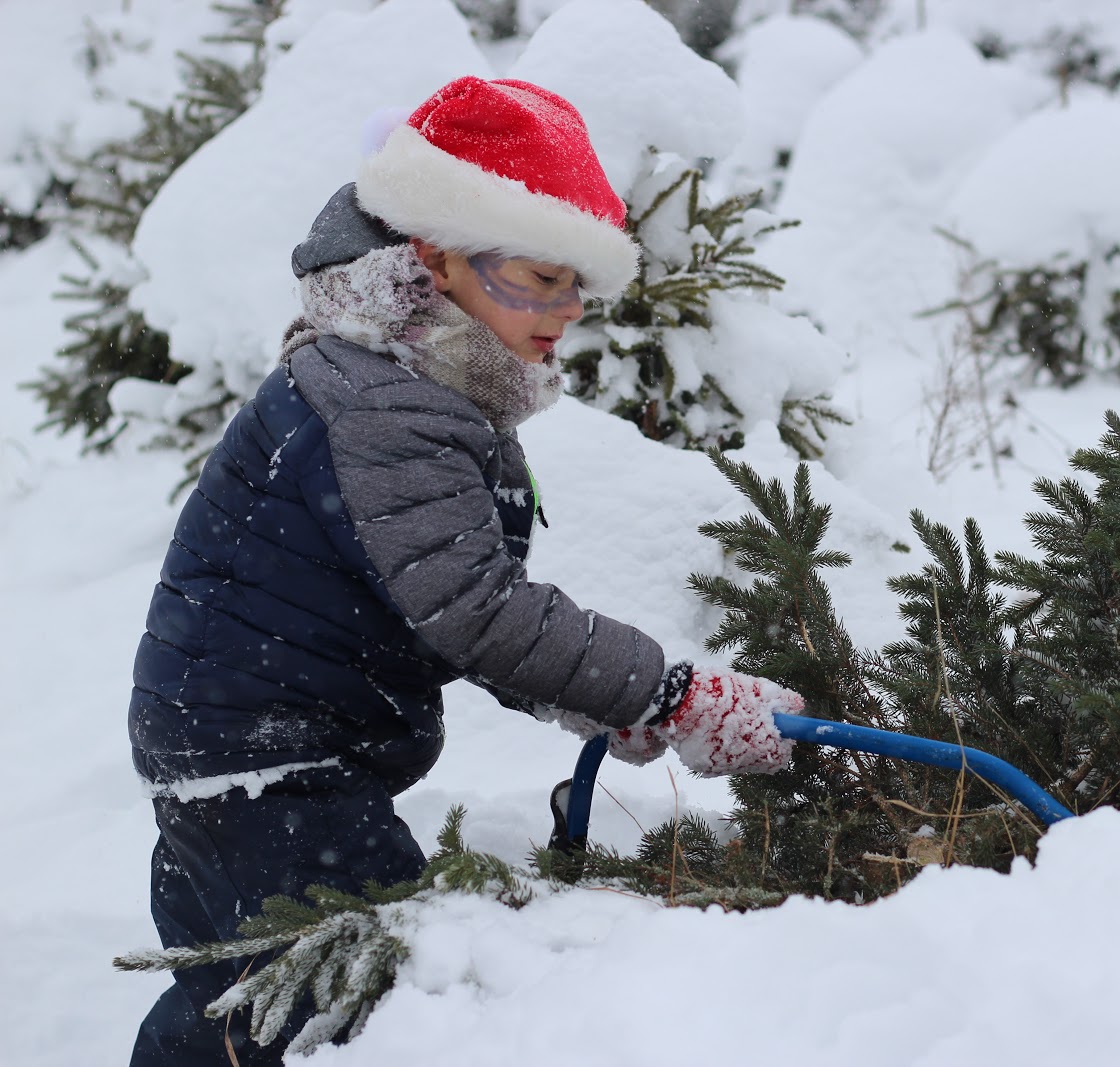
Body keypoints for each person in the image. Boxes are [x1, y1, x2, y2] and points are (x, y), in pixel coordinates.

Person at [127, 76, 801, 1066]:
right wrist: (665, 689)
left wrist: (604, 703)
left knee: (237, 1003)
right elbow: (474, 609)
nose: (564, 311)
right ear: (433, 260)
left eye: (580, 285)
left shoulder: (400, 378)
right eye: (537, 276)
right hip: (274, 769)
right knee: (326, 1007)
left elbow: (430, 596)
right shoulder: (389, 407)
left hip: (246, 757)